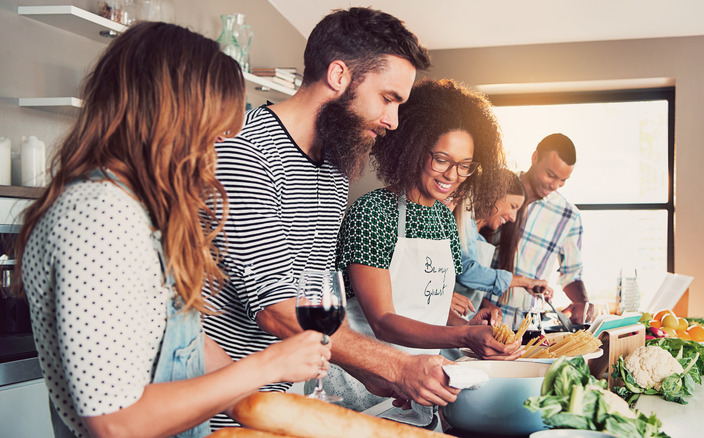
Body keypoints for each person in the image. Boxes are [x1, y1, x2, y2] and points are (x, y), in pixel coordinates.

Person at [12, 22, 330, 438]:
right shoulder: (97, 216)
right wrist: (268, 365)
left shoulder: (139, 213)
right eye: (211, 131)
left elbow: (186, 340)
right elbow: (115, 423)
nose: (216, 150)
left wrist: (280, 412)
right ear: (166, 116)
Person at [201, 7, 458, 429]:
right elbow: (279, 308)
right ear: (339, 75)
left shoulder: (333, 172)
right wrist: (397, 365)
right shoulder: (245, 153)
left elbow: (314, 300)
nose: (393, 121)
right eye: (388, 99)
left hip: (276, 405)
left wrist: (367, 371)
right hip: (212, 412)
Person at [330, 78, 523, 410]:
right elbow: (384, 320)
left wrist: (473, 326)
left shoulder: (444, 220)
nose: (452, 175)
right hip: (362, 386)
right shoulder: (373, 212)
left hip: (420, 385)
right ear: (414, 149)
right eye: (442, 159)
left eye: (464, 165)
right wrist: (463, 337)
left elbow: (430, 307)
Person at [489, 133, 589, 325]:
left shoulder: (568, 216)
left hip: (523, 326)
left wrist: (582, 301)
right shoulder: (496, 188)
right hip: (474, 313)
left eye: (563, 180)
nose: (555, 185)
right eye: (551, 175)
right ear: (534, 157)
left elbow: (572, 274)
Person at [449, 168, 552, 322]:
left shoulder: (479, 238)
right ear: (493, 195)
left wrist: (486, 305)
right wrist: (525, 281)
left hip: (461, 330)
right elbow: (468, 273)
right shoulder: (462, 224)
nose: (513, 218)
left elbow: (465, 290)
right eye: (512, 206)